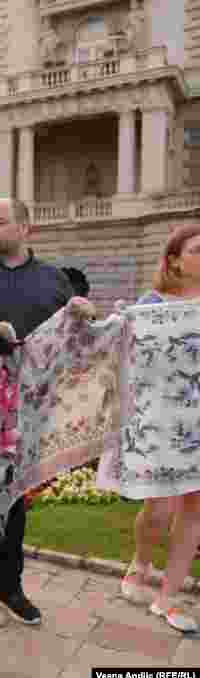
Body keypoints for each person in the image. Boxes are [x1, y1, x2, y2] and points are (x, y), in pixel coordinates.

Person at [0, 197, 93, 627]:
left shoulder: (55, 281)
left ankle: (6, 585)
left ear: (25, 228)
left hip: (30, 409)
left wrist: (85, 315)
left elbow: (75, 341)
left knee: (14, 499)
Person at [119, 223, 200, 633]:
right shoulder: (152, 303)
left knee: (195, 509)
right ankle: (141, 563)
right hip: (163, 419)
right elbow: (130, 361)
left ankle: (168, 596)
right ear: (174, 259)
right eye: (198, 250)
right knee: (159, 507)